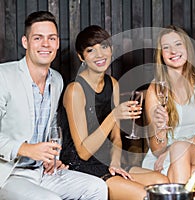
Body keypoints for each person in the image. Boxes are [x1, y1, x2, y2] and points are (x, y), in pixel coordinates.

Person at [0, 11, 108, 200]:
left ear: (57, 43)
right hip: (9, 175)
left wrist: (52, 159)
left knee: (97, 187)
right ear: (25, 42)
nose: (45, 44)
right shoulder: (4, 76)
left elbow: (50, 128)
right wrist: (25, 148)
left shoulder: (56, 80)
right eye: (38, 38)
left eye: (51, 38)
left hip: (43, 171)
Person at [60, 25, 169, 200]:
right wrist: (114, 115)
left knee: (163, 183)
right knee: (144, 196)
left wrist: (115, 163)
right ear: (81, 57)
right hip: (81, 167)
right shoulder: (75, 91)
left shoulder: (113, 84)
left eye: (104, 47)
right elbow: (83, 152)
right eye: (91, 50)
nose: (100, 54)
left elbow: (116, 139)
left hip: (109, 163)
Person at [141, 25, 195, 199]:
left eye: (178, 44)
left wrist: (175, 148)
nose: (173, 51)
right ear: (161, 55)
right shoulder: (155, 90)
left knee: (179, 150)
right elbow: (156, 149)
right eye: (166, 47)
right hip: (162, 157)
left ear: (187, 48)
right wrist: (160, 128)